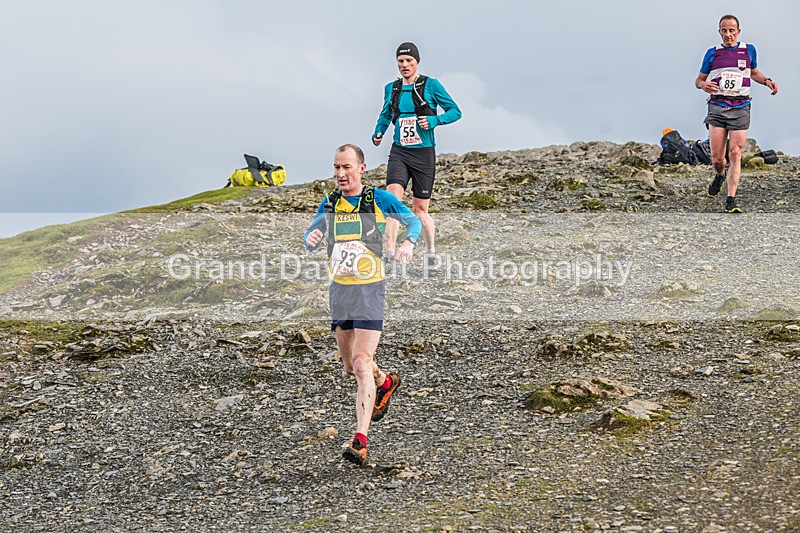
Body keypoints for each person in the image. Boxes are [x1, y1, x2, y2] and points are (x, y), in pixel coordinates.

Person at [304, 144, 422, 465]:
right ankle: (385, 383)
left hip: (370, 289)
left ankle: (360, 440)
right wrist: (311, 238)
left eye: (347, 167)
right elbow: (312, 232)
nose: (341, 174)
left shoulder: (378, 199)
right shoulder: (328, 204)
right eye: (336, 168)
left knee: (360, 362)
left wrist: (408, 245)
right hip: (340, 292)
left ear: (362, 168)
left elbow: (414, 223)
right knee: (349, 366)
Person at [372, 42, 461, 265]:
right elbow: (385, 114)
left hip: (423, 155)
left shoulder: (431, 85)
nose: (404, 65)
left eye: (409, 61)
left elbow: (455, 112)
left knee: (419, 210)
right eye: (400, 61)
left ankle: (431, 252)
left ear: (417, 62)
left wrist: (434, 120)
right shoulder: (391, 88)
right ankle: (390, 254)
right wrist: (379, 131)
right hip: (399, 152)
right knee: (392, 201)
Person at [695, 14, 778, 213]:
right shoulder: (712, 53)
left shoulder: (749, 50)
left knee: (735, 153)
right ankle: (719, 175)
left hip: (741, 107)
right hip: (717, 106)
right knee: (717, 158)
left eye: (732, 30)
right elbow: (698, 80)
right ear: (719, 32)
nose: (728, 34)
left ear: (738, 32)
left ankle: (730, 200)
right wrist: (703, 85)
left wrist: (767, 81)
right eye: (724, 31)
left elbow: (754, 72)